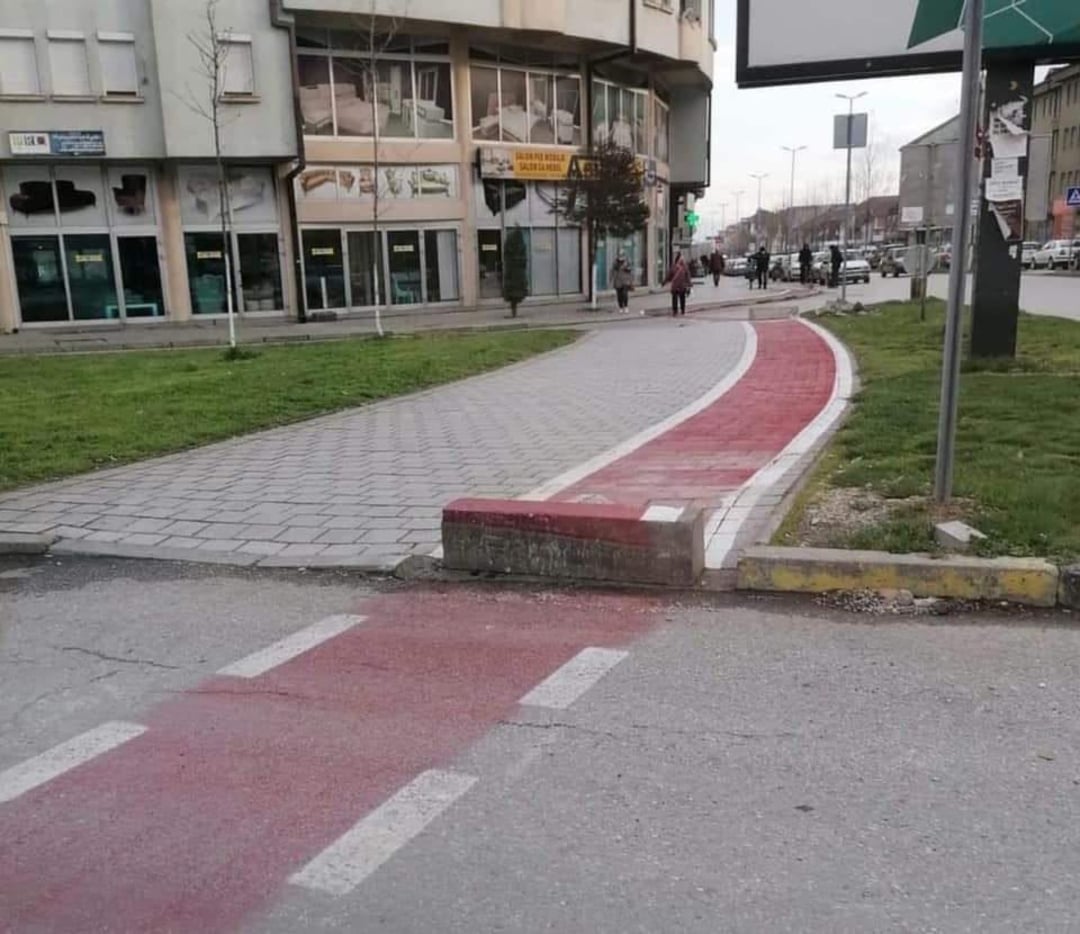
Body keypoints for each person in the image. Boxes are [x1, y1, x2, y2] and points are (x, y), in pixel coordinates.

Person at [665, 252, 691, 317]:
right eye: (681, 258)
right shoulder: (675, 267)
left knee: (682, 298)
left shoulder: (684, 267)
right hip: (676, 286)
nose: (682, 260)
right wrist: (664, 282)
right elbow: (669, 275)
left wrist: (689, 284)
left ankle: (682, 310)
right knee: (675, 299)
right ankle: (675, 311)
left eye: (682, 259)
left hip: (681, 285)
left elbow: (687, 276)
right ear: (678, 259)